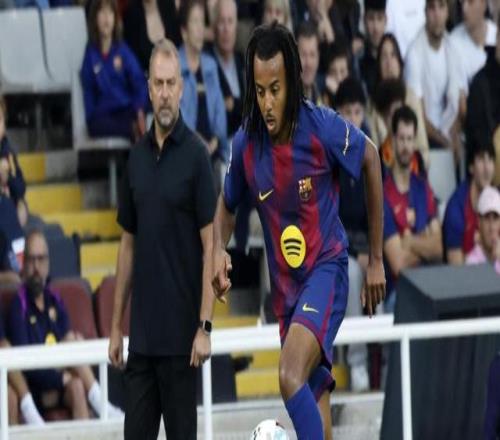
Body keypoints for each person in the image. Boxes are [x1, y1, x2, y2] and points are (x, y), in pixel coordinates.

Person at [212, 23, 385, 439]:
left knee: (289, 374)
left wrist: (377, 259)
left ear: (291, 81)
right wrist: (218, 249)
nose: (267, 103)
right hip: (287, 296)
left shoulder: (321, 127)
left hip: (326, 272)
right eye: (259, 91)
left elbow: (371, 158)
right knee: (316, 415)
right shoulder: (247, 144)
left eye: (275, 89)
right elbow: (227, 205)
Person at [108, 39, 217, 440]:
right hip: (141, 343)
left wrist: (205, 327)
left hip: (182, 346)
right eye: (159, 83)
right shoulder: (135, 159)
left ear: (182, 89)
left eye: (172, 83)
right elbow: (127, 246)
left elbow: (212, 247)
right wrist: (115, 326)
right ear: (149, 89)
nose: (166, 92)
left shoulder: (197, 157)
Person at [7, 230, 122, 420]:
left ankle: (99, 404)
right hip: (34, 386)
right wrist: (60, 377)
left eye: (41, 259)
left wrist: (66, 368)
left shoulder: (55, 299)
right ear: (24, 264)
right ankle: (102, 404)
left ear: (48, 263)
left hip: (58, 377)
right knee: (70, 348)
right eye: (31, 260)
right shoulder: (18, 306)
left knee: (76, 382)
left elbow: (68, 351)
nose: (36, 267)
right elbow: (25, 364)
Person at [382, 106, 442, 311]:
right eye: (401, 139)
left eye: (410, 139)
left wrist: (409, 242)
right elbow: (398, 264)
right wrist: (425, 243)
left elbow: (439, 248)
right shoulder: (383, 195)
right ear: (392, 140)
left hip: (430, 284)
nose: (406, 146)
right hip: (398, 292)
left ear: (415, 141)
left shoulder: (423, 187)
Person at [336, 77, 371, 392]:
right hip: (339, 251)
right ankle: (357, 363)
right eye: (347, 112)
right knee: (352, 273)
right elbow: (328, 219)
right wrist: (357, 254)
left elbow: (378, 214)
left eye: (358, 112)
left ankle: (388, 364)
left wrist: (374, 255)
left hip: (367, 249)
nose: (353, 119)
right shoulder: (328, 159)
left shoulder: (370, 157)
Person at [81, 0, 149, 141]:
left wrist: (139, 108)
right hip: (103, 115)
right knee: (96, 125)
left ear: (115, 18)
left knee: (144, 115)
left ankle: (137, 131)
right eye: (102, 12)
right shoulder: (90, 55)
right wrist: (91, 115)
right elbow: (88, 91)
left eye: (110, 12)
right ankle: (132, 130)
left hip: (124, 109)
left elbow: (139, 82)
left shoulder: (123, 51)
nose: (106, 17)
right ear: (95, 18)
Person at [405, 0, 465, 157]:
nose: (437, 14)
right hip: (425, 139)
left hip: (450, 135)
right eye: (432, 8)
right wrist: (446, 144)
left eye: (441, 6)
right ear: (425, 13)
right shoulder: (414, 54)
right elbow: (418, 115)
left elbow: (460, 104)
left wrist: (454, 134)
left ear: (447, 12)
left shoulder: (453, 49)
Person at [367, 34, 429, 168]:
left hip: (412, 172)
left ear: (400, 63)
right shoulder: (372, 104)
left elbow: (423, 150)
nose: (389, 62)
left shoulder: (411, 98)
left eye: (393, 55)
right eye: (384, 56)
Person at [178, 0, 228, 167]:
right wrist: (199, 142)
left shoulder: (210, 65)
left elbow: (220, 109)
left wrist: (215, 141)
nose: (200, 29)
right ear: (184, 32)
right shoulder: (175, 66)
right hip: (185, 149)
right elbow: (177, 116)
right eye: (195, 21)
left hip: (213, 149)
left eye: (202, 22)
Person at [443, 143, 496, 264]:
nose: (487, 169)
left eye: (490, 159)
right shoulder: (456, 208)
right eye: (481, 159)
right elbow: (456, 267)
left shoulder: (497, 200)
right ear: (471, 167)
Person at [210, 0, 245, 139]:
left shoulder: (243, 61)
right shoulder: (207, 64)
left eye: (230, 21)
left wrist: (233, 104)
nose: (226, 29)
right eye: (221, 22)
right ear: (214, 27)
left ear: (236, 26)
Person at [123, 0, 181, 73]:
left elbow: (180, 44)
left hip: (176, 73)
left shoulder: (169, 5)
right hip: (147, 77)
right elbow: (133, 63)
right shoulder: (131, 15)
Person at [450, 0, 497, 88]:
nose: (464, 8)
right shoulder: (453, 43)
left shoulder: (496, 36)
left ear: (484, 4)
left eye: (470, 2)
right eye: (462, 3)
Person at [465, 185, 500, 272]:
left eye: (495, 218)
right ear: (479, 222)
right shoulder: (471, 262)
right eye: (487, 218)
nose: (492, 227)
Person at [358, 0, 387, 99]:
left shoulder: (393, 54)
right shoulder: (358, 58)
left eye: (380, 18)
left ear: (386, 20)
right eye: (371, 19)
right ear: (364, 21)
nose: (376, 28)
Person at [297, 20, 322, 105]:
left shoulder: (324, 96)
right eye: (303, 55)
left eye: (312, 55)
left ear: (318, 57)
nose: (308, 63)